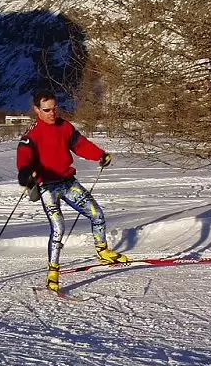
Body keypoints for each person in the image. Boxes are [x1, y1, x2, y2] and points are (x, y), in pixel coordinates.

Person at [16, 89, 128, 293]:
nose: (52, 113)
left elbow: (81, 145)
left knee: (97, 214)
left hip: (68, 182)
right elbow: (24, 158)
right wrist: (25, 174)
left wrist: (100, 155)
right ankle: (53, 272)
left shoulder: (64, 126)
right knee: (58, 227)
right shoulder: (31, 134)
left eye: (54, 108)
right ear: (37, 110)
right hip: (47, 186)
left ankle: (103, 252)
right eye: (46, 110)